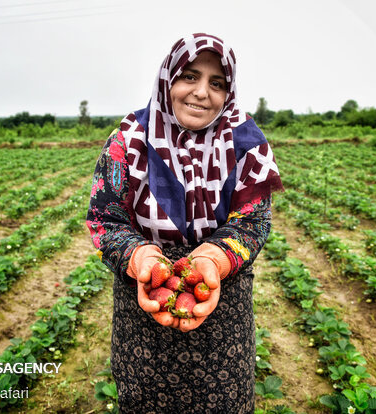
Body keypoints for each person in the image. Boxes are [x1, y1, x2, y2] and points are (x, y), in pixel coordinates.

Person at [86, 33, 283, 414]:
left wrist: (213, 258)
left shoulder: (247, 142)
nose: (201, 92)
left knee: (224, 401)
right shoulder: (128, 139)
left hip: (218, 296)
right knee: (145, 402)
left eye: (217, 83)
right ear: (167, 79)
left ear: (229, 91)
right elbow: (104, 217)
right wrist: (141, 257)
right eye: (189, 76)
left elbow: (253, 221)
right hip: (144, 294)